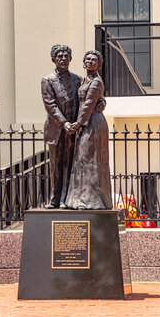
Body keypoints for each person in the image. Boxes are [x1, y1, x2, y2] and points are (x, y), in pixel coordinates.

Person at [41, 45, 106, 209]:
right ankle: (55, 199)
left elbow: (88, 96)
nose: (63, 59)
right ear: (54, 59)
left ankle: (66, 199)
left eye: (66, 56)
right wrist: (64, 123)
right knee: (55, 165)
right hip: (57, 129)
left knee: (70, 165)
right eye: (59, 56)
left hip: (75, 130)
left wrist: (102, 101)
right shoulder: (47, 80)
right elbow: (50, 106)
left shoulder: (78, 79)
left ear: (70, 59)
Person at [65, 50, 112, 210]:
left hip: (93, 124)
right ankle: (78, 199)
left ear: (99, 64)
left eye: (94, 60)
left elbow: (88, 105)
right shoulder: (84, 80)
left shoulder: (96, 82)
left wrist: (77, 124)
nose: (90, 61)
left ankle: (92, 201)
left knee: (90, 161)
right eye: (88, 59)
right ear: (84, 62)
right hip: (84, 123)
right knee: (82, 161)